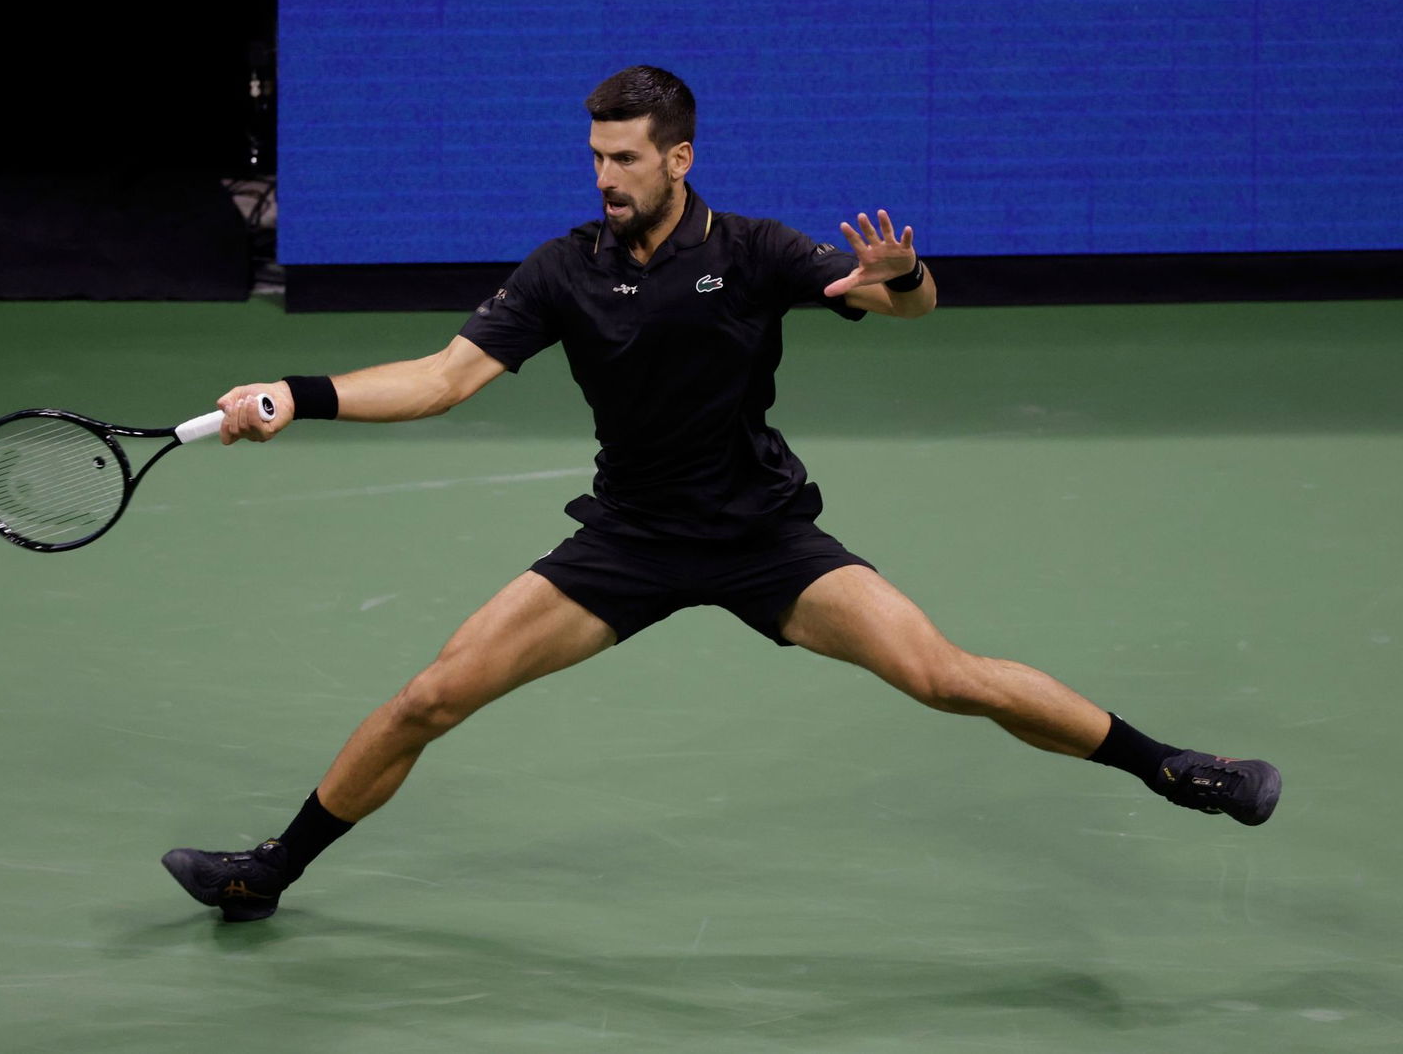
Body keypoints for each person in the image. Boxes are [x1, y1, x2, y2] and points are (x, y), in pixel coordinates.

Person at [162, 66, 1281, 923]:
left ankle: (1177, 768)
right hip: (629, 543)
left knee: (944, 675)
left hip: (759, 536)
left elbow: (900, 308)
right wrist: (298, 394)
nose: (605, 177)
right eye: (596, 157)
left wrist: (909, 278)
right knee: (426, 699)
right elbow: (444, 379)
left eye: (626, 160)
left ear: (679, 158)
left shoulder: (750, 251)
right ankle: (268, 874)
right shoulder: (563, 269)